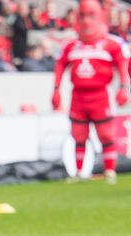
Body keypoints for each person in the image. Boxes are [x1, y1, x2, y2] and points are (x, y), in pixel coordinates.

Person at [52, 0, 130, 184]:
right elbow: (60, 66)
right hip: (77, 96)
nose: (86, 22)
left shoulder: (112, 43)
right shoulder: (71, 46)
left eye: (91, 16)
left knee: (106, 134)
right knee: (78, 134)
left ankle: (110, 171)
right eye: (83, 16)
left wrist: (124, 87)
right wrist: (56, 90)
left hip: (100, 95)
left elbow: (124, 64)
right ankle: (79, 172)